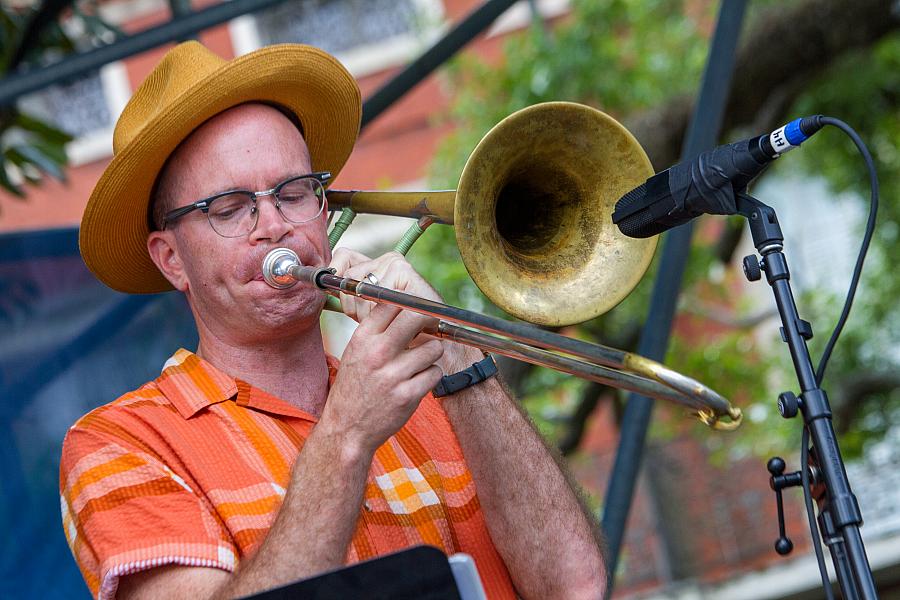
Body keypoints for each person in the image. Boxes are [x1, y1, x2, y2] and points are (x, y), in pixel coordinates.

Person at [60, 41, 606, 600]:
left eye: (295, 193)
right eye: (228, 208)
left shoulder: (430, 394)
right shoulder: (122, 443)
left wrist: (456, 352)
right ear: (171, 258)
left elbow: (576, 586)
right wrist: (347, 435)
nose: (273, 225)